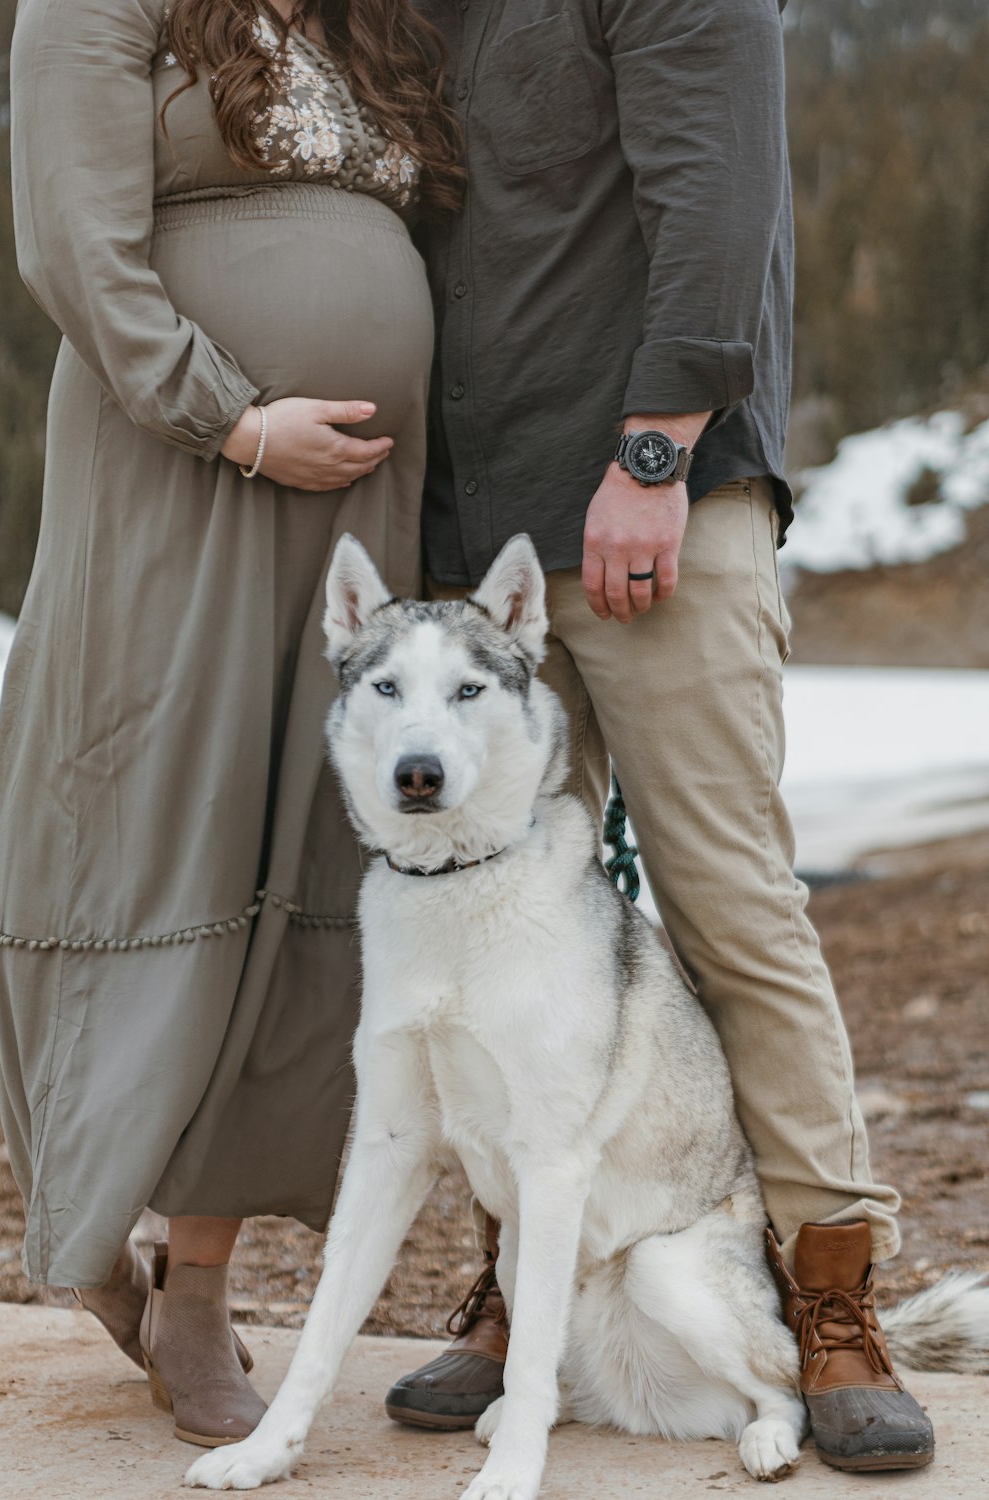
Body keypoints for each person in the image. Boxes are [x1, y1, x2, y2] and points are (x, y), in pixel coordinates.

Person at [385, 0, 936, 1473]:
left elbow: (718, 185)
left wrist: (653, 452)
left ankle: (832, 1301)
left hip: (655, 505)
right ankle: (525, 1283)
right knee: (515, 937)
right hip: (478, 546)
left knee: (730, 908)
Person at [0, 0, 458, 1450]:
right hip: (178, 470)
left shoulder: (370, 18)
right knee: (152, 832)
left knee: (302, 852)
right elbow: (73, 243)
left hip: (355, 508)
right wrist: (236, 419)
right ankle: (95, 1216)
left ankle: (195, 1286)